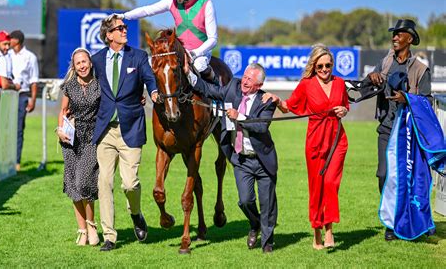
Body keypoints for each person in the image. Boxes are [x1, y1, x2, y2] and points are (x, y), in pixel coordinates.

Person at [184, 61, 278, 253]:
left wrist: (239, 116)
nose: (244, 81)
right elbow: (208, 89)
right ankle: (255, 224)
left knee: (267, 203)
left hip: (262, 160)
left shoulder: (266, 101)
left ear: (259, 85)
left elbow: (261, 127)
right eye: (244, 76)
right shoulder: (233, 88)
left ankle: (267, 243)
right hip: (241, 160)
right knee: (245, 201)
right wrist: (189, 74)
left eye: (249, 80)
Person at [263, 44, 349, 250]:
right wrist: (275, 99)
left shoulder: (340, 83)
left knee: (330, 183)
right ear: (314, 67)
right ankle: (317, 232)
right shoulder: (306, 84)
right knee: (316, 187)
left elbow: (346, 104)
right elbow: (288, 106)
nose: (325, 70)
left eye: (328, 65)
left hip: (338, 139)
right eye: (320, 66)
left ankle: (329, 231)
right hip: (316, 140)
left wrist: (344, 110)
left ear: (332, 65)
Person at [92, 14, 158, 251]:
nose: (124, 30)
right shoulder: (96, 60)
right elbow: (87, 87)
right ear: (108, 35)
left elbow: (150, 79)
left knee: (130, 184)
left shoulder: (138, 56)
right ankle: (109, 235)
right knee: (104, 183)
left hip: (130, 127)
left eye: (125, 27)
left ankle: (137, 213)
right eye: (119, 28)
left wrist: (153, 93)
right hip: (104, 132)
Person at [367, 19, 431, 241]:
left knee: (407, 179)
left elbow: (427, 103)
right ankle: (392, 218)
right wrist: (371, 77)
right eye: (394, 34)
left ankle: (400, 224)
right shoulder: (384, 62)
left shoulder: (421, 70)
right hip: (386, 129)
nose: (394, 37)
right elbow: (368, 83)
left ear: (410, 39)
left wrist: (407, 99)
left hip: (408, 134)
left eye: (399, 34)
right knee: (384, 175)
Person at [117, 0, 219, 84]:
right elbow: (148, 10)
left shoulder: (207, 4)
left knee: (199, 65)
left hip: (200, 53)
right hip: (179, 50)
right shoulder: (171, 1)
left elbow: (213, 39)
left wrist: (195, 53)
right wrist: (124, 16)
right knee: (152, 63)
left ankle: (216, 91)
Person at [57, 48, 100, 246]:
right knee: (74, 186)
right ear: (74, 66)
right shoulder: (69, 85)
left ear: (90, 62)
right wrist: (59, 129)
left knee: (84, 182)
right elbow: (63, 111)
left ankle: (91, 224)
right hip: (71, 139)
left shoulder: (100, 83)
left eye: (84, 62)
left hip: (93, 138)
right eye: (78, 63)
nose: (82, 66)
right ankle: (82, 230)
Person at [8, 30, 39, 172]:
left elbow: (33, 81)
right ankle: (5, 160)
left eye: (11, 38)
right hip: (7, 94)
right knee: (7, 127)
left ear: (18, 40)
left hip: (22, 95)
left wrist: (32, 99)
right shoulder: (6, 55)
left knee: (19, 128)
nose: (9, 40)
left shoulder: (30, 57)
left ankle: (17, 162)